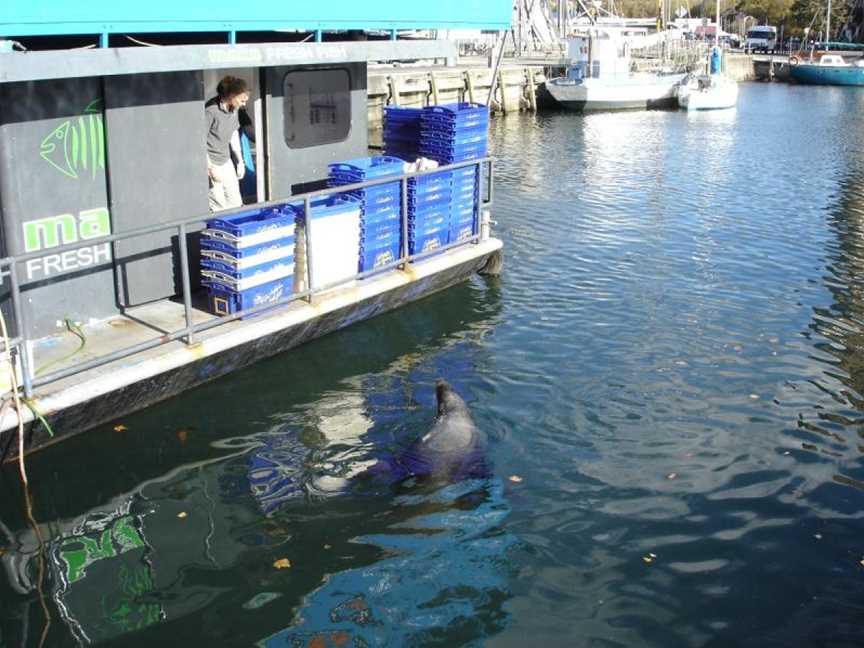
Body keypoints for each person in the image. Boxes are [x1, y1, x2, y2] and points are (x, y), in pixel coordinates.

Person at [205, 76, 250, 212]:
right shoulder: (211, 111)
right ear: (232, 96)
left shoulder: (234, 109)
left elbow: (233, 134)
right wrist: (210, 168)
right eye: (242, 100)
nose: (244, 104)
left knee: (235, 201)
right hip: (212, 162)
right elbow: (199, 142)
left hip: (226, 161)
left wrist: (240, 161)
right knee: (219, 205)